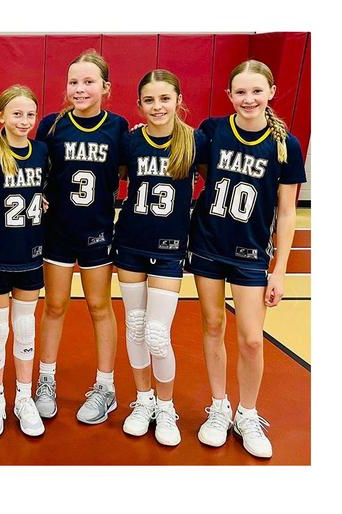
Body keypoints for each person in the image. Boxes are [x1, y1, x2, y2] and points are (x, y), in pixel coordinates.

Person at [187, 60, 305, 458]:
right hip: (207, 244)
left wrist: (280, 269)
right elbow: (199, 170)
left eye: (257, 91)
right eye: (241, 92)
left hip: (252, 252)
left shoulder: (286, 145)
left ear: (271, 92)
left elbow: (287, 211)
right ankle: (219, 406)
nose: (249, 99)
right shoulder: (213, 130)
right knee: (213, 325)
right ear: (229, 95)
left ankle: (248, 412)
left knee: (253, 339)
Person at [113, 69, 207, 446]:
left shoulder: (195, 141)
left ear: (178, 101)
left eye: (165, 98)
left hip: (169, 248)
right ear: (139, 105)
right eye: (149, 100)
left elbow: (213, 183)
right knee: (135, 327)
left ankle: (165, 406)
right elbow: (111, 179)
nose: (157, 106)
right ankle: (143, 400)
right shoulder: (131, 142)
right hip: (131, 243)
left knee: (156, 332)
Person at [34, 50, 128, 424]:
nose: (80, 88)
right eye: (73, 81)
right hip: (56, 231)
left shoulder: (119, 127)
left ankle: (106, 386)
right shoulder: (51, 126)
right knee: (54, 306)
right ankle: (45, 379)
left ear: (105, 87)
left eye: (89, 82)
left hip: (97, 233)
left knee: (99, 306)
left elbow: (128, 169)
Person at [0, 85, 48, 438]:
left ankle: (23, 395)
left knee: (25, 327)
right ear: (0, 116)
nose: (24, 120)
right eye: (16, 113)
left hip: (31, 254)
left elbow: (50, 190)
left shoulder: (43, 152)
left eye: (30, 114)